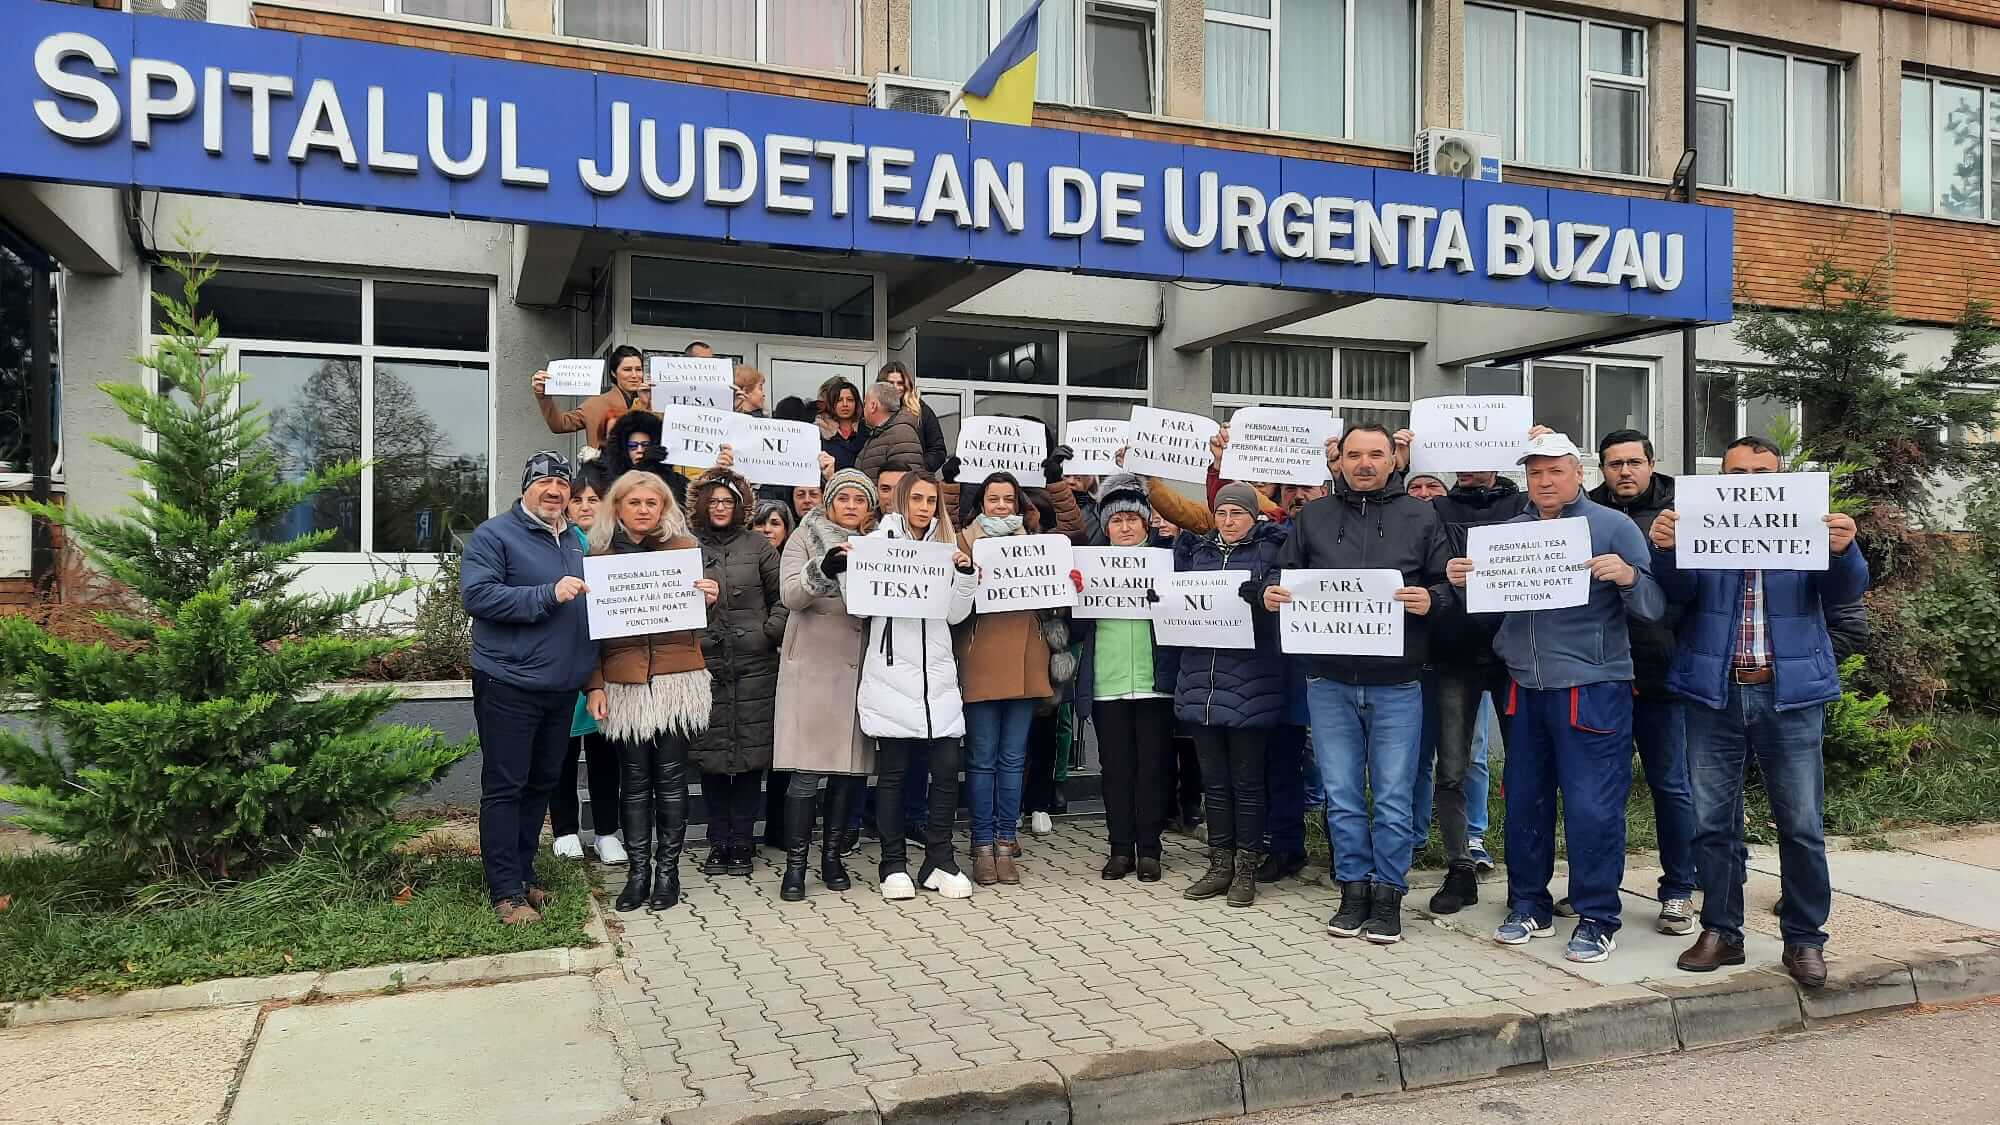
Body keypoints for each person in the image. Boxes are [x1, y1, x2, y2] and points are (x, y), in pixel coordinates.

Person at [1651, 435, 1867, 988]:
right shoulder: (1700, 525)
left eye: (1761, 473)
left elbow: (1845, 590)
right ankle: (1722, 932)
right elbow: (1675, 595)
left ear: (1780, 478)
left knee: (1801, 825)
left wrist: (1844, 549)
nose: (1748, 482)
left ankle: (1805, 938)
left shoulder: (1806, 524)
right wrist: (1666, 549)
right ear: (1721, 478)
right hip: (1714, 694)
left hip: (1788, 696)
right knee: (1712, 824)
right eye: (1737, 472)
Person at [1447, 431, 1663, 964]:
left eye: (1555, 471)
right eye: (1535, 473)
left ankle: (1597, 916)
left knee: (1593, 807)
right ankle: (1528, 904)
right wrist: (1462, 582)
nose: (1544, 482)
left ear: (1578, 474)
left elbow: (1654, 606)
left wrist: (1628, 576)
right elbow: (1486, 609)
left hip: (1593, 688)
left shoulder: (1612, 527)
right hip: (1524, 686)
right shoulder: (1506, 534)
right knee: (1525, 801)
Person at [1264, 426, 1452, 942]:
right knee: (1342, 794)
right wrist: (1269, 593)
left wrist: (1433, 600)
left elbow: (1446, 584)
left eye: (1375, 454)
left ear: (1393, 459)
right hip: (1328, 681)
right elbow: (1279, 573)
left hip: (1398, 682)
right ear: (1339, 461)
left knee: (1392, 796)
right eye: (1354, 454)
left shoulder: (1421, 515)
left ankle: (1388, 895)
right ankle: (1352, 890)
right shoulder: (1314, 516)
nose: (1364, 463)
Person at [460, 452, 596, 924]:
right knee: (505, 786)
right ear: (526, 488)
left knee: (540, 783)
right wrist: (547, 594)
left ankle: (522, 874)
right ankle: (504, 891)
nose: (554, 491)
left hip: (560, 689)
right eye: (544, 483)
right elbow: (477, 595)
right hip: (508, 683)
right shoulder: (494, 535)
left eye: (562, 484)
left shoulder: (574, 541)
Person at [583, 471, 720, 913]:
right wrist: (594, 685)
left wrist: (711, 598)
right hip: (624, 682)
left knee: (672, 778)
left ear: (664, 508)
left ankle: (668, 873)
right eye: (634, 502)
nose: (643, 510)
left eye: (651, 503)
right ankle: (638, 873)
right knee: (635, 781)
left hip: (677, 679)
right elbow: (588, 632)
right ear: (617, 507)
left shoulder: (684, 551)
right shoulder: (598, 557)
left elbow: (704, 621)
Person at [1580, 428, 1698, 935]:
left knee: (1671, 787)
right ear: (1601, 469)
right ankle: (1594, 889)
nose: (1624, 472)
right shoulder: (1581, 516)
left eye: (1634, 462)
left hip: (1662, 673)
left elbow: (1694, 589)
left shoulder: (1684, 512)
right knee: (1597, 791)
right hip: (1599, 674)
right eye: (1614, 464)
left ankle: (1679, 890)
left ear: (1651, 464)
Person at [855, 469, 979, 900]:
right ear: (901, 501)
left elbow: (955, 615)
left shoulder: (946, 547)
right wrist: (845, 567)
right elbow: (859, 605)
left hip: (937, 679)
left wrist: (965, 577)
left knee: (945, 771)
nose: (924, 508)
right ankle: (893, 863)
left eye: (931, 501)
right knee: (893, 775)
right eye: (917, 499)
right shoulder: (877, 544)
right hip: (892, 677)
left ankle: (939, 859)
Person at [1416, 461, 1531, 914]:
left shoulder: (1524, 505)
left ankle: (1527, 875)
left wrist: (1538, 446)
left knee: (1526, 768)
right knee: (1451, 770)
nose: (1469, 465)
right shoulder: (1434, 509)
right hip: (1453, 654)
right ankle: (1460, 867)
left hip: (1513, 654)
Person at [1172, 481, 1288, 908]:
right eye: (1221, 513)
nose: (1228, 521)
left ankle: (1245, 869)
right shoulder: (1198, 551)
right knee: (1215, 783)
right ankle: (1219, 864)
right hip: (1201, 683)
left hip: (1251, 684)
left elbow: (1280, 599)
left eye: (1237, 513)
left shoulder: (1273, 551)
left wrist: (1261, 597)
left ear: (1253, 516)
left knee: (1248, 782)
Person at [955, 471, 1069, 886]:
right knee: (982, 759)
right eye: (994, 499)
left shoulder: (1037, 546)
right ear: (981, 504)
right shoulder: (962, 543)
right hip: (981, 660)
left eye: (1009, 500)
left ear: (1019, 505)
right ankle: (982, 844)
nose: (1001, 507)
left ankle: (1006, 841)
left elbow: (1054, 601)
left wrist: (1066, 586)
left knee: (1013, 758)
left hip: (1026, 660)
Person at [773, 469, 878, 901]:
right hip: (812, 665)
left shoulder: (881, 541)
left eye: (860, 499)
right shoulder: (803, 536)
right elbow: (790, 595)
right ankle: (795, 866)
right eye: (843, 498)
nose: (851, 506)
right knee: (806, 772)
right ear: (829, 502)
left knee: (847, 773)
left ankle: (832, 858)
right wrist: (824, 569)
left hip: (858, 665)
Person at [1074, 475, 1179, 881]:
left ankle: (1149, 849)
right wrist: (1073, 595)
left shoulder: (1166, 560)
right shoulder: (1091, 565)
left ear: (1145, 521)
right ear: (1106, 525)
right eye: (1116, 520)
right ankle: (1120, 848)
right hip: (1108, 682)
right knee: (1115, 770)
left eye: (1132, 518)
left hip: (1154, 682)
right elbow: (1077, 630)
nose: (1125, 527)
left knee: (1153, 768)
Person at [688, 468, 786, 879]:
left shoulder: (759, 546)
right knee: (711, 759)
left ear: (740, 506)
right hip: (706, 667)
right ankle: (718, 843)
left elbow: (783, 598)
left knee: (749, 758)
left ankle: (743, 841)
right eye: (713, 501)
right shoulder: (686, 546)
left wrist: (767, 633)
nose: (720, 508)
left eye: (727, 501)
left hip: (754, 668)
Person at [551, 464, 627, 866]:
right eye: (577, 499)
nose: (584, 506)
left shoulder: (617, 546)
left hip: (606, 667)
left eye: (593, 499)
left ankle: (606, 832)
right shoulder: (555, 543)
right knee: (560, 755)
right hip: (564, 665)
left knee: (605, 756)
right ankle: (564, 831)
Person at [532, 345, 649, 453]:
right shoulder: (596, 404)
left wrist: (647, 404)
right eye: (627, 370)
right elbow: (560, 424)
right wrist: (543, 395)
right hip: (605, 468)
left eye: (638, 369)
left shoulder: (651, 401)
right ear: (614, 373)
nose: (634, 375)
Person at [878, 361, 949, 471]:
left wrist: (918, 470)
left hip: (914, 478)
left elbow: (938, 451)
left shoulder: (921, 411)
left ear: (907, 385)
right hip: (880, 478)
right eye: (890, 383)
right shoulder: (873, 412)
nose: (895, 388)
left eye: (900, 383)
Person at [856, 382, 927, 480]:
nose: (863, 409)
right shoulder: (880, 434)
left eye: (865, 404)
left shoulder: (902, 435)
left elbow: (906, 483)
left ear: (873, 406)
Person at [817, 378, 870, 472]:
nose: (845, 404)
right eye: (839, 400)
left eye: (850, 400)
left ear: (856, 403)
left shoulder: (868, 431)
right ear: (831, 404)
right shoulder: (820, 434)